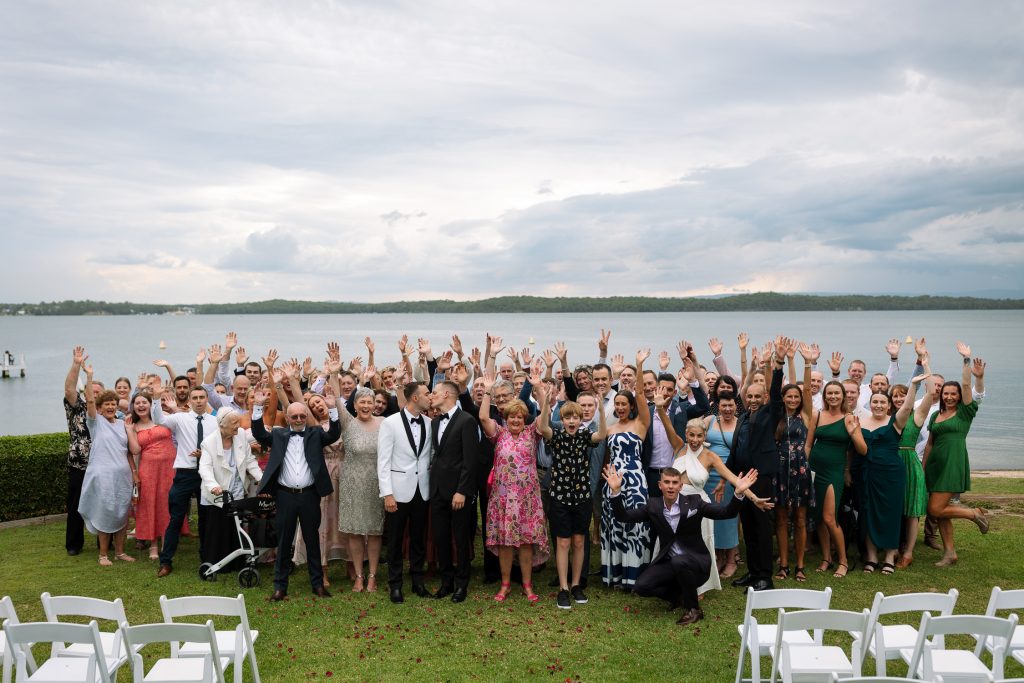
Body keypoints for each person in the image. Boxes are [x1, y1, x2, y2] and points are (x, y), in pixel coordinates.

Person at [604, 464, 760, 625]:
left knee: (680, 560)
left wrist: (738, 493)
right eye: (667, 482)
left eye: (674, 482)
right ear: (660, 485)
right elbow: (624, 517)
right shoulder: (654, 506)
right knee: (641, 587)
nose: (670, 486)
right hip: (671, 564)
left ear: (680, 486)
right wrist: (616, 492)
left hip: (697, 564)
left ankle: (694, 610)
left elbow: (727, 513)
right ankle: (679, 597)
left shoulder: (695, 502)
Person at [251, 386, 341, 600]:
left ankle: (317, 584)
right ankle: (280, 587)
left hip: (310, 495)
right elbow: (259, 433)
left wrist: (332, 409)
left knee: (312, 540)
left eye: (302, 415)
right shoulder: (279, 434)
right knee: (284, 541)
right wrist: (256, 406)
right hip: (285, 495)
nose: (299, 419)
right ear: (289, 418)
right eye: (295, 416)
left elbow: (334, 434)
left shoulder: (316, 433)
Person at [479, 374, 551, 603]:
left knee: (526, 543)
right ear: (505, 418)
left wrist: (539, 388)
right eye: (512, 417)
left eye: (520, 417)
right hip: (503, 499)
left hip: (527, 499)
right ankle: (505, 584)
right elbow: (482, 417)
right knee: (506, 544)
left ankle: (528, 585)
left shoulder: (532, 433)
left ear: (524, 418)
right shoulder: (498, 434)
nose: (516, 420)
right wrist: (488, 391)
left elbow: (544, 417)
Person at [538, 386, 607, 609]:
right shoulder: (556, 435)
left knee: (579, 541)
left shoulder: (586, 436)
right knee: (563, 542)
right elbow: (542, 427)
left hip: (582, 496)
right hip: (559, 496)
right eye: (567, 417)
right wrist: (546, 404)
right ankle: (563, 588)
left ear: (580, 420)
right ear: (562, 419)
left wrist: (602, 411)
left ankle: (576, 585)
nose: (571, 421)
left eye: (575, 417)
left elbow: (602, 435)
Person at [924, 342, 989, 567]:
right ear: (941, 395)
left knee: (934, 509)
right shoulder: (935, 416)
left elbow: (966, 383)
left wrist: (966, 360)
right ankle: (949, 553)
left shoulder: (964, 413)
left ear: (960, 396)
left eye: (954, 394)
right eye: (946, 393)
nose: (950, 397)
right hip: (935, 465)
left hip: (953, 463)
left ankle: (974, 513)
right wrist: (923, 467)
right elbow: (930, 444)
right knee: (942, 513)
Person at [730, 337, 786, 592]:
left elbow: (776, 394)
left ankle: (765, 575)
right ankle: (753, 572)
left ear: (763, 397)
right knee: (748, 527)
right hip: (743, 478)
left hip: (761, 476)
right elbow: (737, 448)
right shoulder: (742, 417)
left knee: (762, 527)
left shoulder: (770, 411)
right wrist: (726, 478)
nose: (752, 399)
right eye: (748, 396)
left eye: (756, 396)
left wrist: (777, 364)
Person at [152, 384, 219, 577]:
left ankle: (206, 558)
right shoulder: (180, 418)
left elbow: (220, 446)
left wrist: (205, 453)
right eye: (195, 398)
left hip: (206, 474)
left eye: (201, 398)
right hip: (184, 473)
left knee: (206, 518)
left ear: (207, 400)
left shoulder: (214, 422)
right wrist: (156, 399)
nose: (198, 401)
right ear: (189, 401)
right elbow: (158, 419)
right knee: (176, 518)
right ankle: (166, 562)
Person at [78, 362, 139, 566]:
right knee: (105, 513)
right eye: (107, 404)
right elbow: (88, 400)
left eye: (114, 403)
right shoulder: (96, 423)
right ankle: (103, 554)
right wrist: (88, 376)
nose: (111, 406)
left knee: (122, 514)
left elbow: (131, 451)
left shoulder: (124, 425)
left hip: (123, 476)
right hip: (102, 476)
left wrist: (134, 473)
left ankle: (120, 552)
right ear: (101, 407)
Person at [600, 349, 652, 590]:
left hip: (635, 482)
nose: (620, 408)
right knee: (614, 525)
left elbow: (640, 392)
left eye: (624, 404)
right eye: (617, 404)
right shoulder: (609, 430)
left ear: (631, 406)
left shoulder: (640, 424)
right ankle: (617, 576)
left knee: (634, 526)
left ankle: (635, 575)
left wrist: (639, 365)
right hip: (613, 483)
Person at [378, 382, 433, 604]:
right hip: (397, 491)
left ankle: (418, 581)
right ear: (414, 398)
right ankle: (395, 585)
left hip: (423, 489)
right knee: (395, 540)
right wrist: (387, 494)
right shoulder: (390, 424)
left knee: (419, 538)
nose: (430, 397)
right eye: (427, 394)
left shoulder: (430, 423)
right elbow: (383, 461)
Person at [292, 390, 350, 587]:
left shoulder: (341, 420)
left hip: (346, 474)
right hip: (323, 475)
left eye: (319, 401)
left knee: (347, 518)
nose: (317, 405)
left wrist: (333, 376)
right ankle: (322, 570)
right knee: (323, 521)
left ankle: (351, 565)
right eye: (313, 405)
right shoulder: (315, 427)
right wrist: (290, 383)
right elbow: (297, 404)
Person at [807, 377, 863, 579]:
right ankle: (826, 558)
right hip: (814, 469)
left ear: (843, 396)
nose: (833, 396)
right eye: (829, 393)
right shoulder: (817, 415)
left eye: (836, 393)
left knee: (830, 518)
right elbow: (808, 444)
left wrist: (854, 432)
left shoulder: (849, 418)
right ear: (824, 396)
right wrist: (804, 467)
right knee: (819, 519)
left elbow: (862, 450)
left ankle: (843, 560)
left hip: (833, 472)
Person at [428, 380, 479, 603]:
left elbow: (471, 461)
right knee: (440, 537)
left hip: (458, 491)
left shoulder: (467, 420)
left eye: (434, 392)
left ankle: (461, 584)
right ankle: (446, 581)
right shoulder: (435, 421)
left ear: (447, 394)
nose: (431, 396)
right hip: (437, 489)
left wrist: (462, 491)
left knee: (460, 538)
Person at [771, 341, 816, 583]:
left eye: (795, 396)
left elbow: (807, 389)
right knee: (780, 519)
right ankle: (784, 564)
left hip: (800, 471)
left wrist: (806, 362)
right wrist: (779, 361)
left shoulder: (806, 415)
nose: (792, 399)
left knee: (799, 519)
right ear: (783, 398)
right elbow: (772, 386)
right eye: (788, 395)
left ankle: (799, 565)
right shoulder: (777, 416)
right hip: (779, 471)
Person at [198, 408, 263, 572]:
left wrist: (262, 479)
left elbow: (250, 461)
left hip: (236, 489)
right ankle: (216, 563)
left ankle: (236, 563)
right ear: (222, 425)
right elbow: (204, 468)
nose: (238, 426)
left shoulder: (240, 435)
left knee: (235, 526)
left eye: (238, 422)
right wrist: (213, 485)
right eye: (234, 423)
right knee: (217, 528)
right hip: (217, 493)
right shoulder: (209, 443)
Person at [334, 387, 385, 592]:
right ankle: (358, 575)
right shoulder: (347, 422)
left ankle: (372, 575)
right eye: (361, 402)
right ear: (354, 405)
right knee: (354, 531)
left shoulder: (384, 423)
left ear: (375, 405)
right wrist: (334, 374)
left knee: (374, 531)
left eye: (369, 402)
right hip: (352, 483)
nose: (365, 406)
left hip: (376, 482)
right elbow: (337, 400)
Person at [125, 392, 185, 561]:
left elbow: (184, 421)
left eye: (145, 402)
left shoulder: (163, 417)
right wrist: (130, 431)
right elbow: (135, 450)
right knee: (149, 504)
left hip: (169, 468)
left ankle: (167, 542)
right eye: (137, 403)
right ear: (134, 407)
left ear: (151, 404)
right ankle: (153, 544)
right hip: (148, 469)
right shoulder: (133, 425)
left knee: (168, 503)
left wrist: (174, 409)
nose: (141, 405)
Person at [895, 361, 936, 569]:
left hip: (910, 463)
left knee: (912, 511)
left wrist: (925, 365)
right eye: (895, 396)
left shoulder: (917, 416)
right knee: (894, 508)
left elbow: (931, 392)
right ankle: (893, 548)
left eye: (902, 395)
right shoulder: (887, 418)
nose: (899, 399)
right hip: (891, 465)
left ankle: (909, 552)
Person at [702, 391, 740, 577]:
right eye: (723, 405)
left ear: (736, 406)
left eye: (730, 405)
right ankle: (717, 556)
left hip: (730, 477)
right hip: (709, 478)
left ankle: (732, 559)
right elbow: (695, 437)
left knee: (729, 519)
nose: (727, 409)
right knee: (712, 517)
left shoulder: (741, 423)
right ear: (718, 406)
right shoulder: (709, 421)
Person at [63, 346, 94, 556]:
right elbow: (69, 389)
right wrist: (76, 365)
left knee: (103, 503)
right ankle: (74, 544)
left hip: (102, 465)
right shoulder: (77, 408)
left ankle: (106, 542)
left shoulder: (107, 414)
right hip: (79, 464)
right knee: (75, 505)